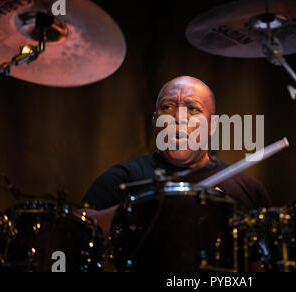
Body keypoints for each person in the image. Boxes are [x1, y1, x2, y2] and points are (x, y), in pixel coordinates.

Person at [81, 76, 271, 235]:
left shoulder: (249, 190)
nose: (179, 118)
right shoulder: (123, 178)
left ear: (212, 125)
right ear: (156, 122)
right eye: (168, 107)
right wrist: (141, 209)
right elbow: (78, 227)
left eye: (193, 109)